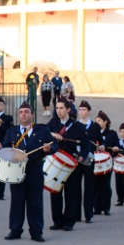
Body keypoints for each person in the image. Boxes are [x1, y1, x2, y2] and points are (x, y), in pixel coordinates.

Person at [0, 102, 53, 242]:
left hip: (35, 169)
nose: (23, 114)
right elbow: (5, 150)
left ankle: (36, 232)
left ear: (32, 115)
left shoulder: (42, 130)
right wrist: (0, 148)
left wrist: (48, 149)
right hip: (16, 170)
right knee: (17, 201)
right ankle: (15, 230)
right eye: (21, 112)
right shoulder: (12, 131)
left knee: (35, 201)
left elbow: (53, 145)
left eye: (26, 112)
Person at [47, 99, 86, 231]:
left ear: (68, 109)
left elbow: (86, 145)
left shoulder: (78, 127)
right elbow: (42, 134)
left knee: (71, 193)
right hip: (55, 162)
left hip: (71, 164)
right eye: (57, 108)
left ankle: (69, 221)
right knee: (55, 192)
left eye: (61, 108)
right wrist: (52, 134)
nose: (58, 111)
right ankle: (57, 221)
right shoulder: (52, 124)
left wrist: (82, 156)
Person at [75, 100, 100, 224]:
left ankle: (88, 214)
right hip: (77, 159)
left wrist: (102, 146)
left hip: (89, 160)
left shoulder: (95, 126)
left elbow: (100, 141)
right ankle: (77, 214)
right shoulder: (75, 125)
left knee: (89, 187)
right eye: (80, 110)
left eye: (84, 110)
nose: (81, 112)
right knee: (76, 188)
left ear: (89, 112)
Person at [93, 112, 118, 217]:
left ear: (105, 122)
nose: (97, 123)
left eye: (99, 121)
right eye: (96, 121)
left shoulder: (112, 134)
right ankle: (96, 208)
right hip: (95, 162)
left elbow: (116, 147)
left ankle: (106, 207)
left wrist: (115, 149)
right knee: (95, 185)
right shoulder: (93, 133)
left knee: (105, 185)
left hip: (107, 163)